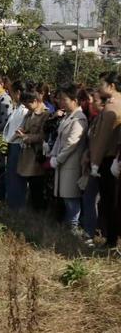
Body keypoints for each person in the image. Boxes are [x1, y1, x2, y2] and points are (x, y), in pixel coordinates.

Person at [49, 84, 88, 232]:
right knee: (65, 196)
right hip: (63, 162)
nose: (61, 102)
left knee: (71, 197)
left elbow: (72, 143)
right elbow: (60, 139)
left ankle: (73, 227)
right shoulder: (68, 116)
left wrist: (58, 159)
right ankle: (68, 226)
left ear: (75, 100)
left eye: (65, 99)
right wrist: (53, 153)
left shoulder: (80, 118)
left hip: (71, 164)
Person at [90, 72, 121, 248]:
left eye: (102, 84)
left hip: (108, 158)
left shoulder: (112, 108)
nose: (100, 87)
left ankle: (111, 240)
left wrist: (95, 161)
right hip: (113, 157)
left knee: (110, 201)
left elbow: (102, 139)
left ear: (111, 86)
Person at [16, 90, 49, 211]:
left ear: (35, 101)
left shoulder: (46, 115)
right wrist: (22, 132)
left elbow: (43, 136)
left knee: (37, 184)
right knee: (29, 182)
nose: (27, 107)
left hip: (36, 154)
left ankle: (38, 211)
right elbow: (25, 127)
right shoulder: (29, 114)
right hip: (27, 153)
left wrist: (26, 137)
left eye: (28, 105)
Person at [80, 90, 105, 245]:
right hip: (93, 163)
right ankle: (90, 231)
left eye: (94, 100)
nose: (91, 103)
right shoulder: (96, 119)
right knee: (89, 198)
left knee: (93, 199)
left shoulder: (108, 119)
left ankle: (94, 234)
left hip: (102, 166)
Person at [3, 81, 29, 210]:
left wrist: (10, 139)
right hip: (12, 144)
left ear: (18, 93)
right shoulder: (18, 107)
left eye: (12, 92)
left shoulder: (25, 110)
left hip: (17, 145)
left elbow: (20, 129)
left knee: (16, 177)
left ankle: (16, 205)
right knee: (11, 175)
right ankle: (12, 203)